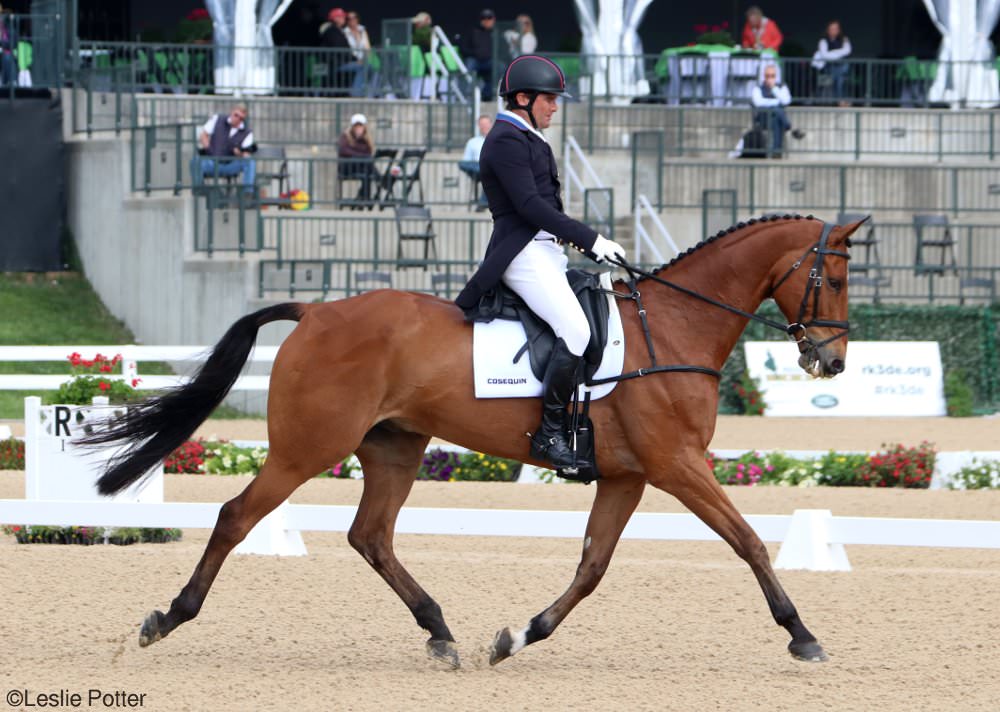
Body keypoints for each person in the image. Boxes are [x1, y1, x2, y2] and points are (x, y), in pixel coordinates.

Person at [454, 55, 627, 469]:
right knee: (575, 328)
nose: (555, 106)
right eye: (549, 99)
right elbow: (530, 206)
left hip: (546, 250)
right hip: (522, 252)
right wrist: (591, 240)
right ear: (523, 98)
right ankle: (549, 435)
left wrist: (582, 244)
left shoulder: (530, 136)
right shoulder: (505, 139)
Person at [191, 103, 257, 194]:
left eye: (241, 118)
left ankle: (247, 193)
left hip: (231, 164)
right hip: (212, 162)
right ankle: (199, 190)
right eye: (236, 115)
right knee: (196, 161)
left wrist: (239, 153)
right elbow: (203, 135)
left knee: (250, 162)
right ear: (231, 112)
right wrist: (209, 149)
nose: (237, 119)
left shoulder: (247, 133)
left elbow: (246, 153)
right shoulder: (218, 119)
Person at [751, 65, 804, 156]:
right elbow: (758, 102)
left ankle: (776, 151)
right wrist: (776, 102)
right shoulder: (758, 88)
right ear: (764, 76)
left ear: (776, 76)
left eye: (772, 76)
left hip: (776, 118)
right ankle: (790, 128)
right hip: (763, 118)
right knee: (777, 109)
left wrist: (774, 89)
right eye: (767, 76)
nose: (770, 78)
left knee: (776, 119)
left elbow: (786, 101)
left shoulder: (781, 87)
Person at [337, 113, 376, 208]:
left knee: (367, 171)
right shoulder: (345, 137)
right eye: (356, 126)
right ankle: (381, 180)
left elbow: (369, 151)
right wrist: (360, 155)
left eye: (360, 126)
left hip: (361, 167)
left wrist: (359, 154)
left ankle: (364, 198)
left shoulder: (366, 139)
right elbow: (344, 150)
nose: (358, 128)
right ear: (352, 127)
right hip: (347, 167)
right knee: (367, 162)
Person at [811, 20, 852, 106]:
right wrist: (839, 53)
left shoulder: (844, 39)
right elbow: (825, 55)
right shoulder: (823, 41)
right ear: (828, 30)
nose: (834, 31)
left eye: (836, 28)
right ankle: (840, 100)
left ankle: (840, 100)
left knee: (841, 75)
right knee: (839, 77)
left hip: (841, 67)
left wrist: (832, 53)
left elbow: (847, 51)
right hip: (828, 68)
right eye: (832, 29)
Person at [458, 114, 494, 209]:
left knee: (489, 172)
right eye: (482, 124)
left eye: (486, 124)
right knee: (462, 163)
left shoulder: (498, 140)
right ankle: (482, 168)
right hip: (475, 168)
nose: (484, 127)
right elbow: (466, 161)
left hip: (491, 168)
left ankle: (482, 203)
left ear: (491, 124)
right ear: (479, 126)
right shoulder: (472, 142)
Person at [461, 9, 496, 100]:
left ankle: (488, 94)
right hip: (475, 60)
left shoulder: (496, 32)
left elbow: (502, 50)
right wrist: (476, 53)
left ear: (493, 20)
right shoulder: (472, 31)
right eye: (484, 18)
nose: (486, 20)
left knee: (499, 66)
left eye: (489, 18)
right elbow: (464, 48)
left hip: (489, 61)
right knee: (469, 65)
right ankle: (466, 96)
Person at [0, 4, 17, 89]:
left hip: (7, 53)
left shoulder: (10, 29)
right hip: (4, 52)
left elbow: (12, 44)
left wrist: (2, 43)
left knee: (7, 58)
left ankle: (9, 83)